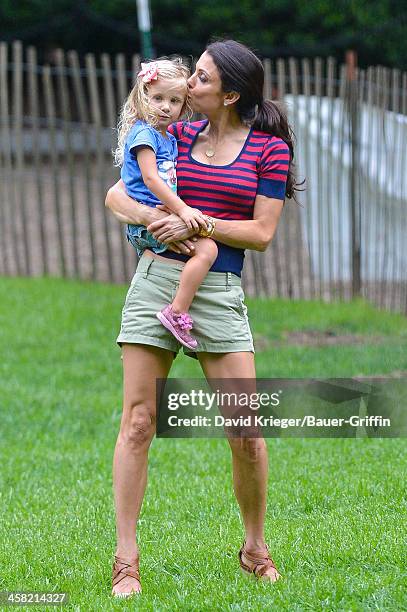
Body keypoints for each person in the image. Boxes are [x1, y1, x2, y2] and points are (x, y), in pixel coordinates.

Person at [106, 39, 300, 598]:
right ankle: (126, 561)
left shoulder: (268, 149)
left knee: (247, 431)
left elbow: (262, 234)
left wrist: (196, 224)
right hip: (155, 280)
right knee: (139, 421)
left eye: (203, 78)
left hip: (218, 290)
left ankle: (255, 547)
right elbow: (116, 194)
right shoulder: (174, 134)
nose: (189, 85)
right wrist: (154, 216)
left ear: (229, 94)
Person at [114, 58, 218, 349]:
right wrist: (182, 209)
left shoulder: (167, 138)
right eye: (157, 98)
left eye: (174, 101)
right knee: (208, 248)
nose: (165, 107)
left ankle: (178, 311)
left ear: (184, 106)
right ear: (142, 97)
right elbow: (150, 179)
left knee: (198, 247)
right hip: (146, 220)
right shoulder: (145, 134)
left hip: (160, 214)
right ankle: (176, 312)